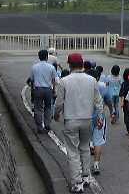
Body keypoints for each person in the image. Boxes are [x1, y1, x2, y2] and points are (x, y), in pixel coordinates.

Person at [54, 53, 104, 194]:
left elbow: (59, 102)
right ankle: (86, 176)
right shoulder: (92, 80)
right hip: (87, 119)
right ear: (82, 64)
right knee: (85, 147)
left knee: (73, 151)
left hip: (71, 119)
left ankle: (77, 183)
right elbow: (98, 101)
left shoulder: (64, 81)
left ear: (69, 65)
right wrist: (100, 117)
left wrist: (56, 113)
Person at [86, 69, 113, 175]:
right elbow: (109, 101)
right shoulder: (102, 87)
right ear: (98, 78)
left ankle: (83, 166)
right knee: (98, 140)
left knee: (84, 141)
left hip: (85, 117)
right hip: (99, 117)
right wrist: (112, 112)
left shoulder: (84, 87)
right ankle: (96, 164)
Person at [30, 49, 57, 134]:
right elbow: (54, 80)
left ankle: (39, 127)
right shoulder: (51, 67)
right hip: (48, 89)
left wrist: (32, 91)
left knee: (38, 108)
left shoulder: (34, 67)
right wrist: (54, 90)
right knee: (48, 107)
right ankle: (47, 124)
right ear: (47, 57)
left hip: (38, 89)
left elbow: (32, 80)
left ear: (39, 57)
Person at [119, 68, 129, 136]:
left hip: (126, 102)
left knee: (127, 116)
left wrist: (122, 102)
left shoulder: (124, 84)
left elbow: (122, 94)